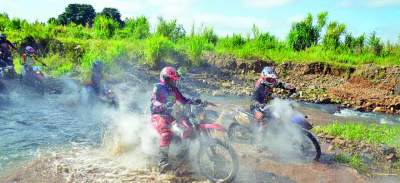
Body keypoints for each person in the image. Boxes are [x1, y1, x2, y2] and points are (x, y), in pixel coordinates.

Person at [150, 66, 200, 173]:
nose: (175, 81)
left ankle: (182, 156)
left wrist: (195, 102)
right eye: (172, 79)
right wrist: (162, 105)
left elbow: (183, 100)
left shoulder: (174, 89)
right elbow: (154, 101)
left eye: (175, 79)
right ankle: (162, 163)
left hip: (171, 115)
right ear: (166, 79)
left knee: (189, 128)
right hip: (158, 116)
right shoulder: (158, 87)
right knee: (166, 134)